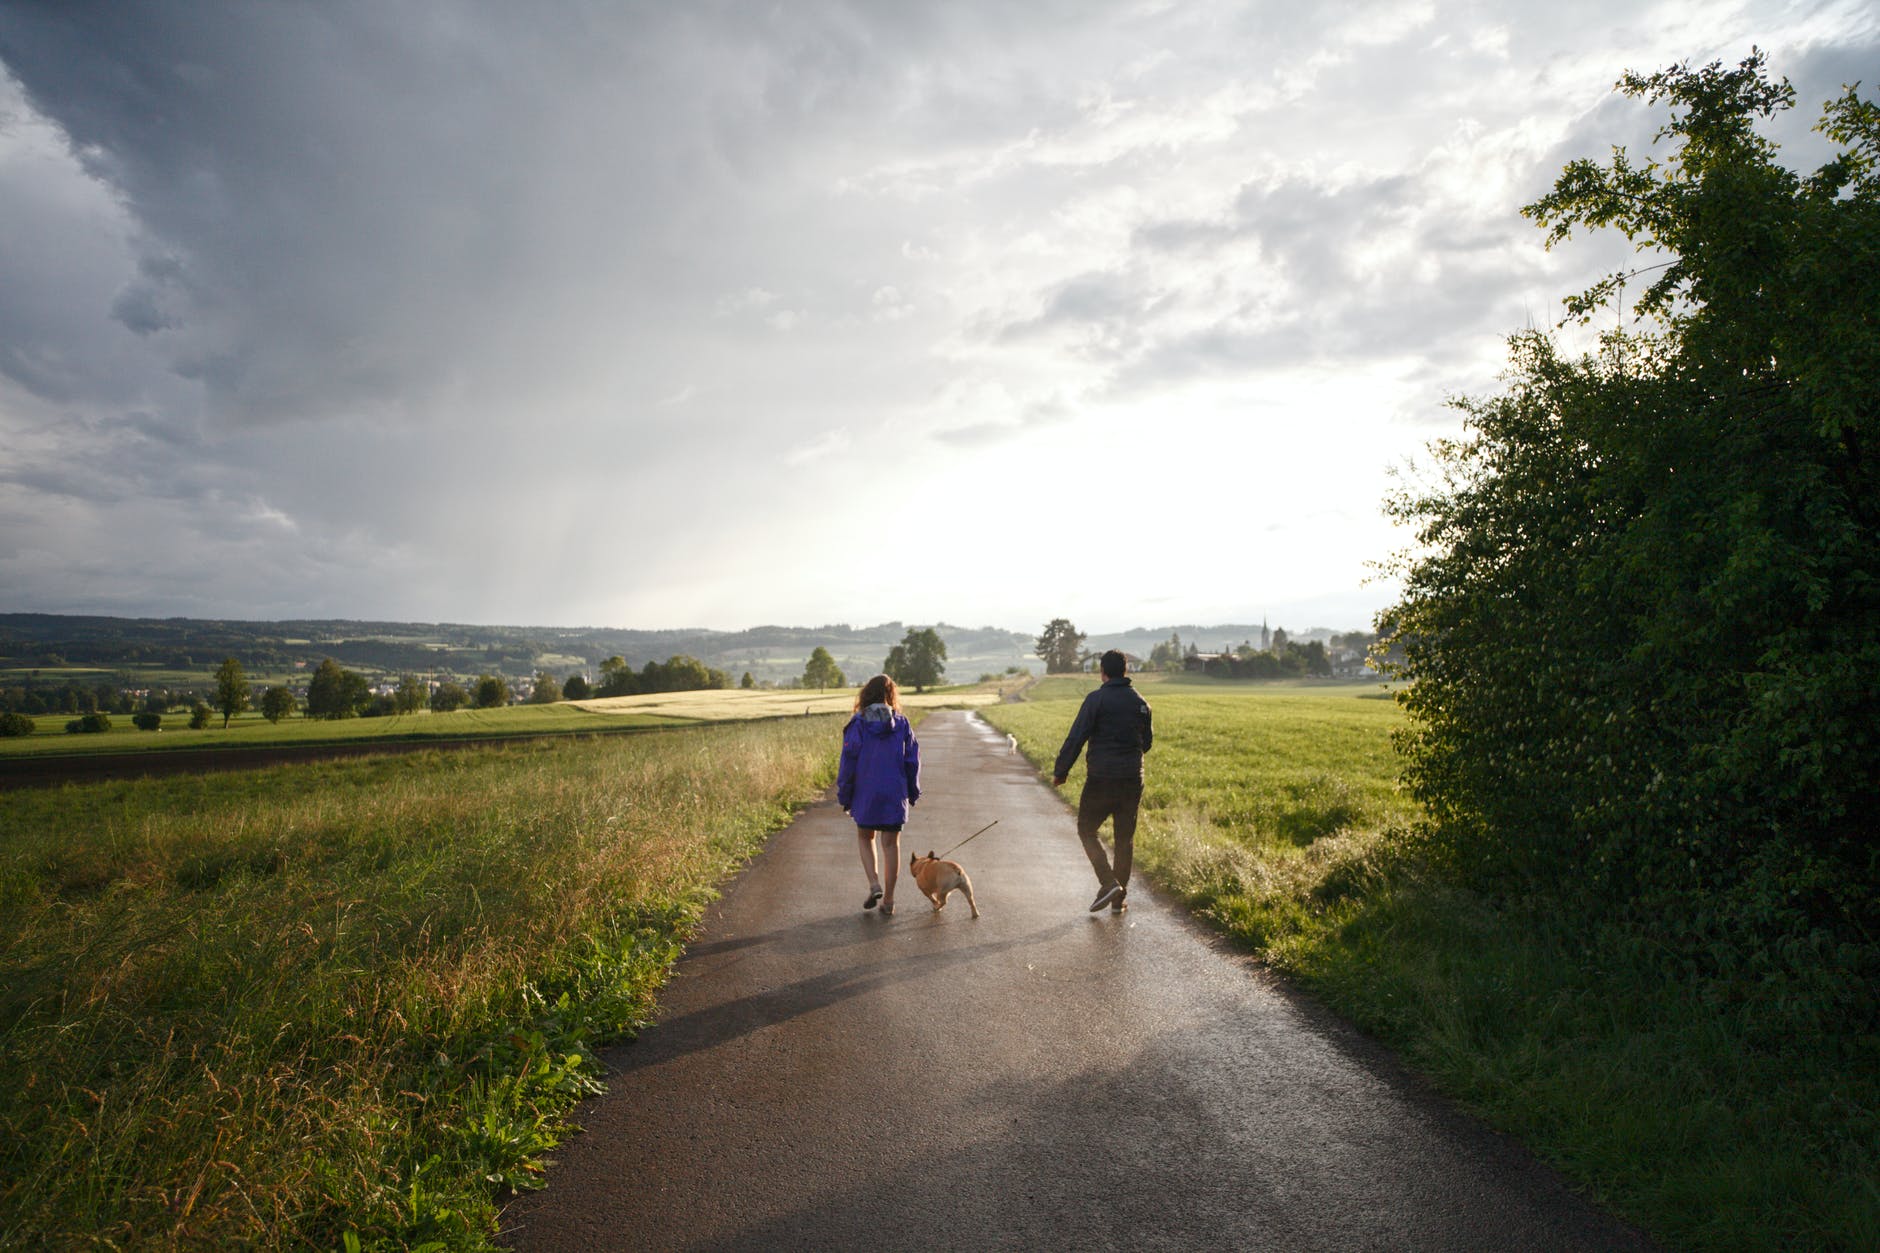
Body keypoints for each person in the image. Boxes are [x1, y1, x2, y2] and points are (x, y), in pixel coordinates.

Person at [1052, 649, 1153, 913]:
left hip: (1101, 779)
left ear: (1103, 672)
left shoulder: (1096, 699)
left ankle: (1108, 882)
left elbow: (1077, 736)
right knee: (1124, 840)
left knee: (1086, 829)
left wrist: (1061, 770)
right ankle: (1119, 900)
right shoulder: (1142, 703)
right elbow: (1147, 744)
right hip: (1132, 780)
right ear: (1126, 671)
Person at [837, 673, 922, 916]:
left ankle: (874, 884)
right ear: (890, 695)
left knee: (865, 837)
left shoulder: (857, 724)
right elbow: (912, 761)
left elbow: (848, 763)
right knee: (891, 844)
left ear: (865, 695)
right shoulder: (902, 723)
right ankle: (889, 901)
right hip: (894, 792)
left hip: (866, 792)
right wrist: (912, 792)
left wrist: (845, 794)